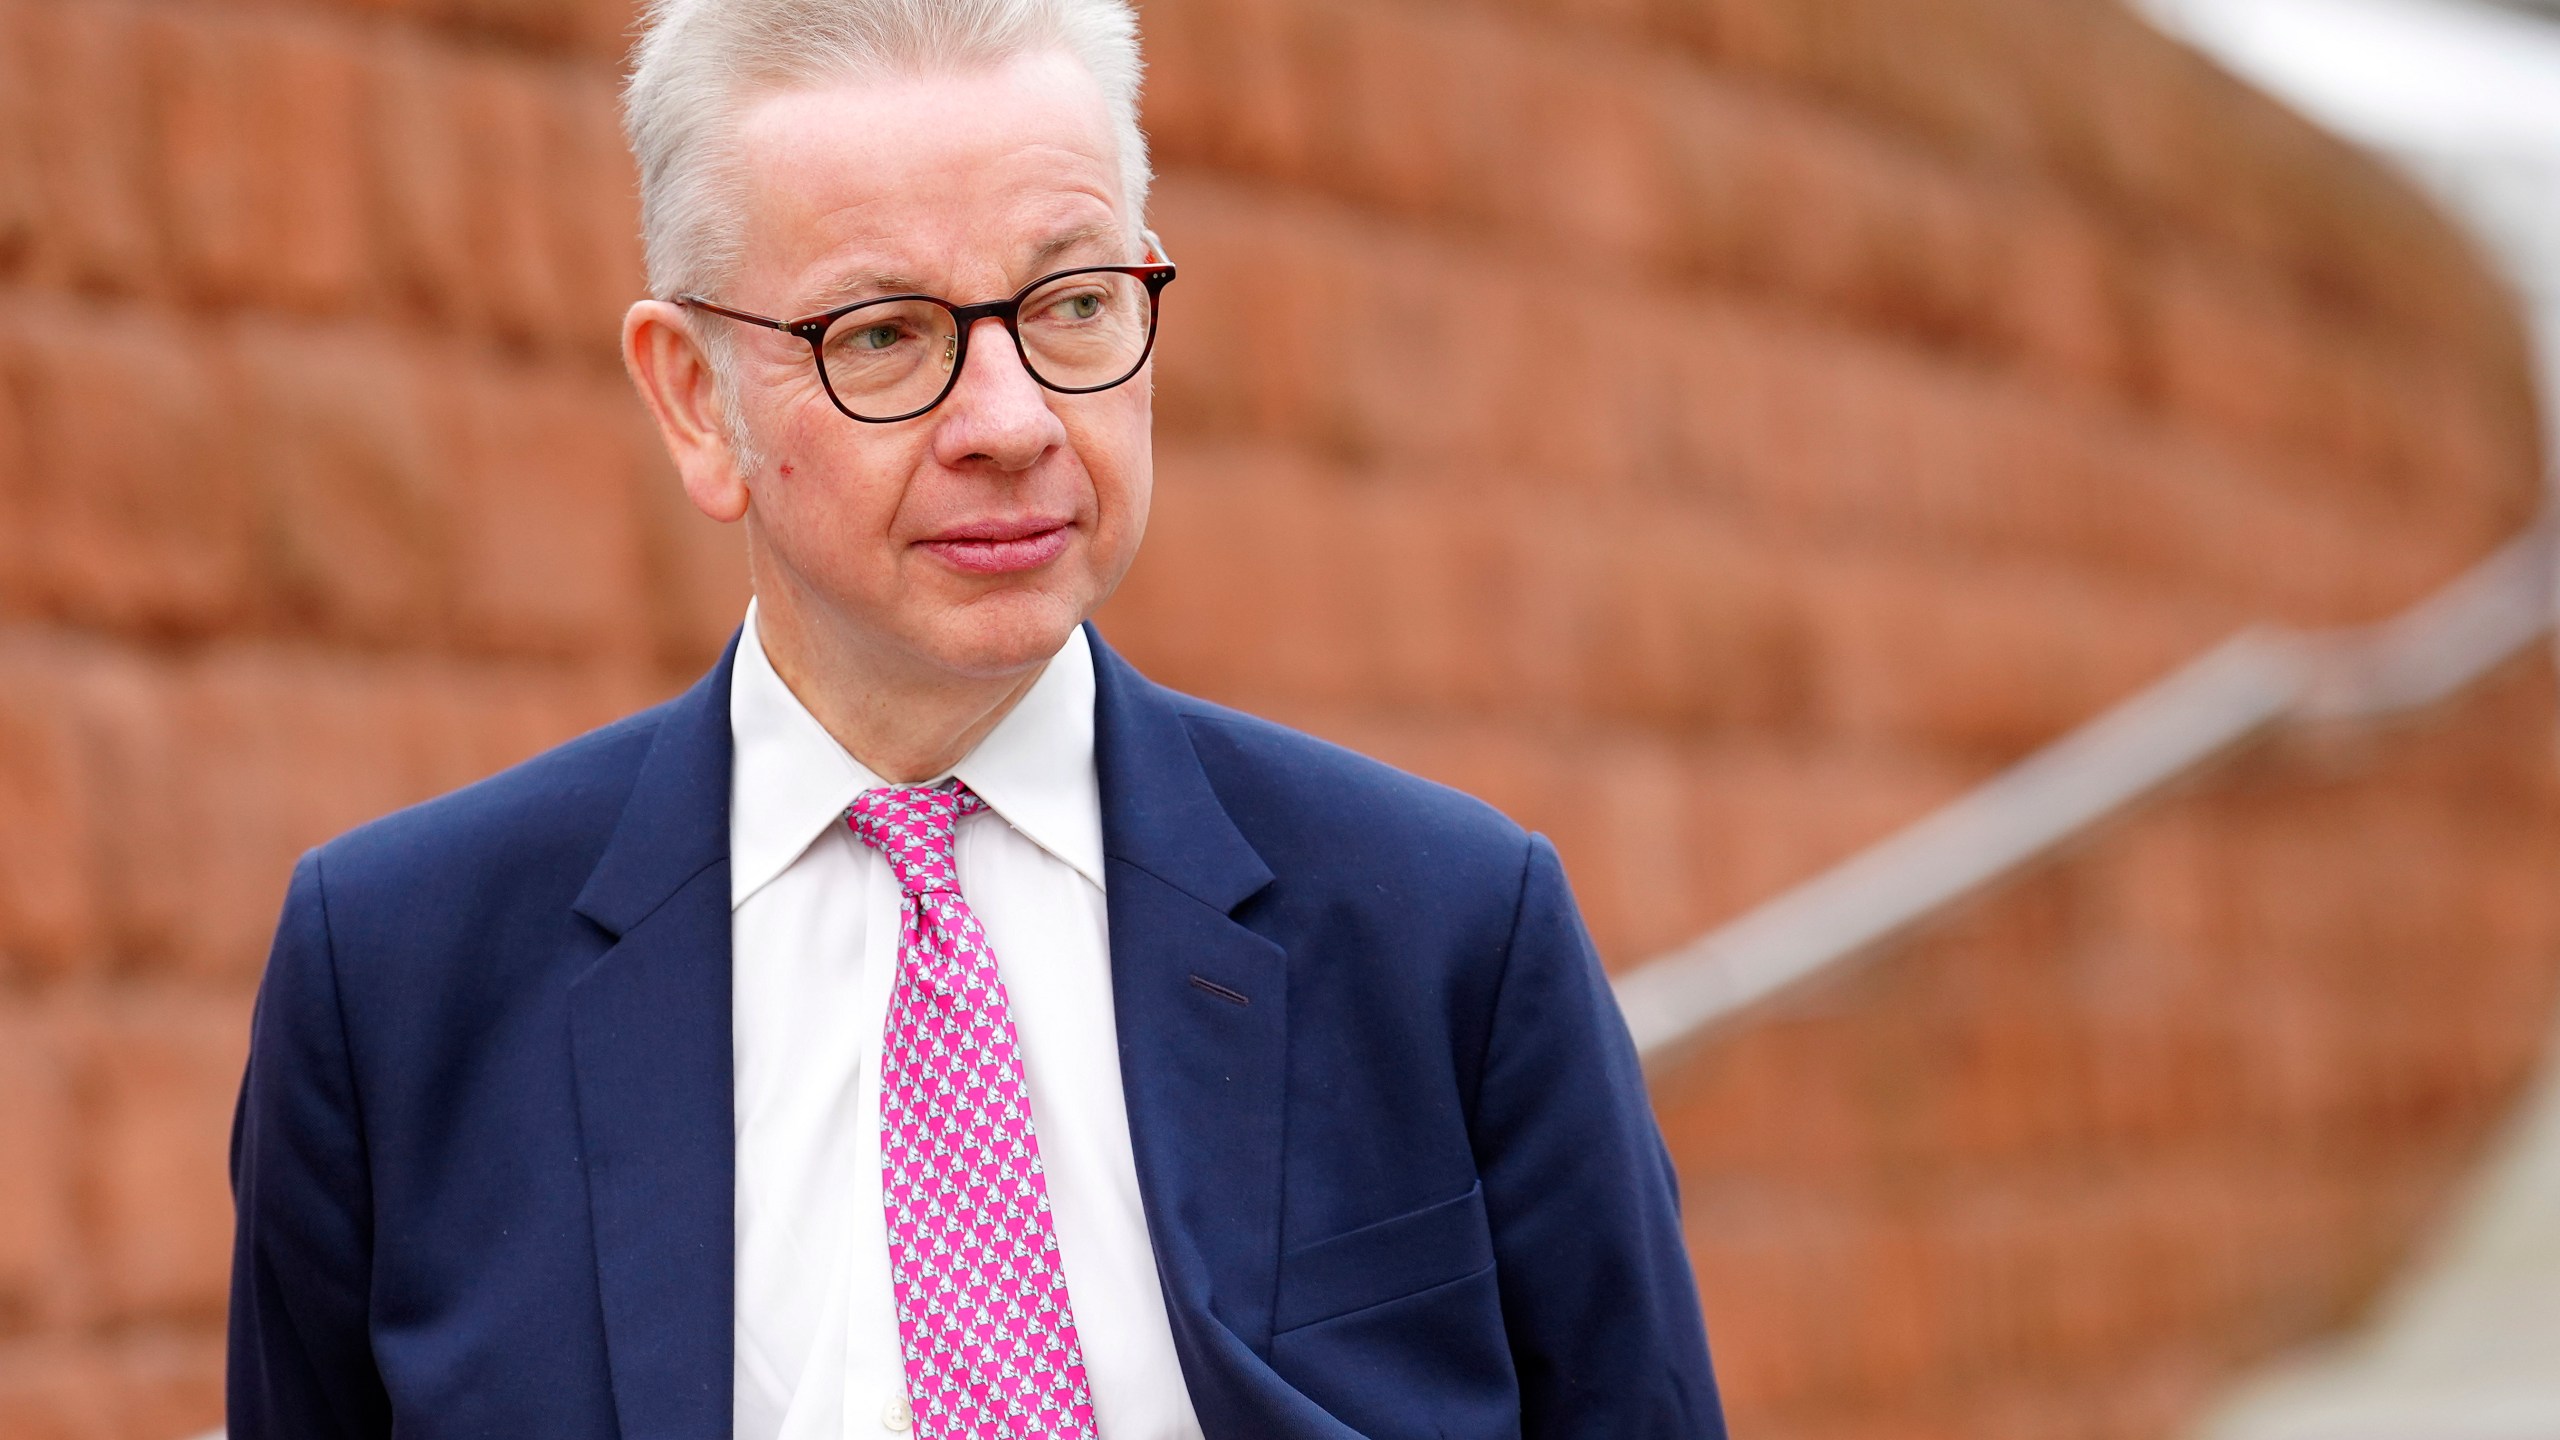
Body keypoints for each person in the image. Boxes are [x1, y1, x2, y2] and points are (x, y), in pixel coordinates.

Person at [225, 0, 1724, 1435]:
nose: (1009, 422)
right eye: (884, 334)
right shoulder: (396, 979)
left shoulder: (1454, 930)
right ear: (697, 400)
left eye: (1071, 306)